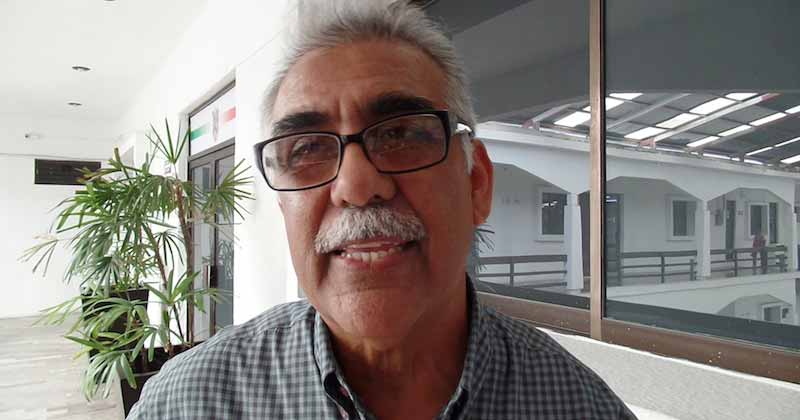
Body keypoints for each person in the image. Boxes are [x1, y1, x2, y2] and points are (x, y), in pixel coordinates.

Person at [128, 1, 636, 418]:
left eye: (402, 134)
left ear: (476, 183)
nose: (355, 186)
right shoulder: (190, 402)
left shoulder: (581, 407)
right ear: (283, 206)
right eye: (307, 149)